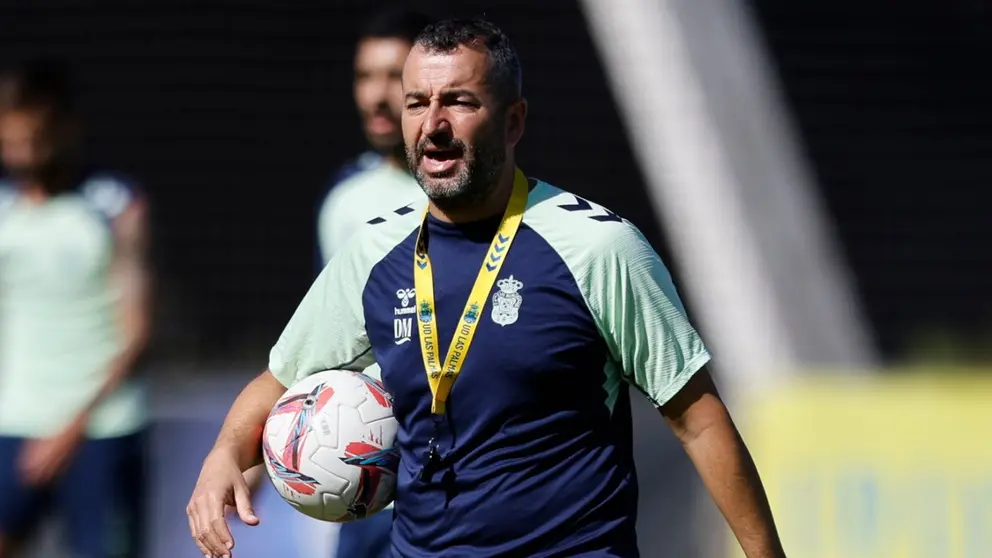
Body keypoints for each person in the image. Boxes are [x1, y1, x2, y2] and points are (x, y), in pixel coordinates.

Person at [188, 17, 786, 558]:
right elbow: (279, 380)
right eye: (417, 103)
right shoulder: (372, 253)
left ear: (514, 119)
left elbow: (699, 421)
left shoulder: (600, 249)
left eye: (460, 102)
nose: (434, 125)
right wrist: (224, 453)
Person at [239, 7, 432, 558]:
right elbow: (324, 340)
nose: (376, 96)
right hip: (361, 474)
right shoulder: (344, 196)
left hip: (449, 476)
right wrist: (260, 448)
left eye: (393, 77)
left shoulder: (467, 198)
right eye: (364, 77)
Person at [0, 60, 151, 558]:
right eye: (11, 143)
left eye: (34, 139)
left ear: (65, 127)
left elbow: (136, 332)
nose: (22, 155)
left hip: (101, 429)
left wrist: (66, 431)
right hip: (13, 425)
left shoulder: (113, 206)